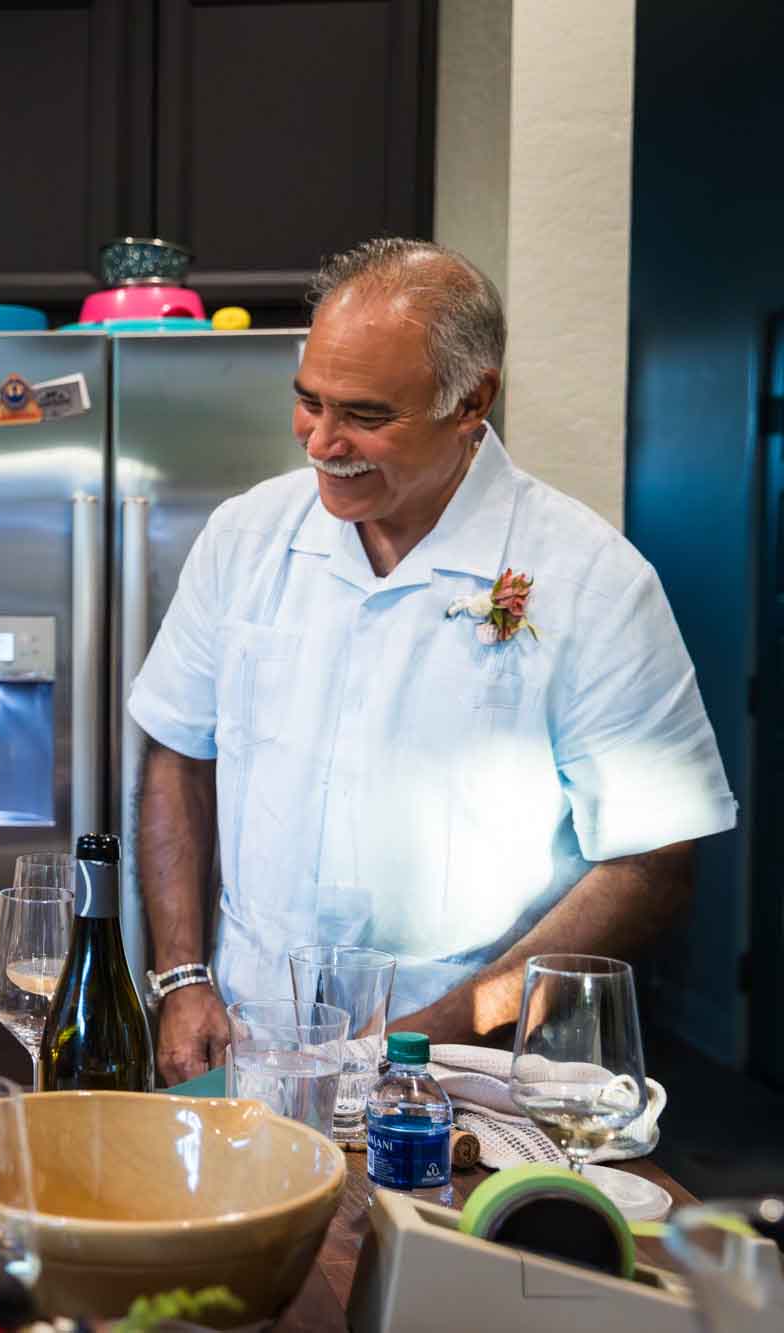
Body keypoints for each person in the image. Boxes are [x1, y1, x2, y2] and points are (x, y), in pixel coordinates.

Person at [129, 239, 737, 1087]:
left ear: (471, 401)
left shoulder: (593, 579)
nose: (322, 441)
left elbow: (651, 860)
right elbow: (179, 753)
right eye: (309, 401)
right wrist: (183, 977)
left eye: (367, 416)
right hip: (248, 1055)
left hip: (480, 1077)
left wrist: (435, 1032)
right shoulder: (246, 538)